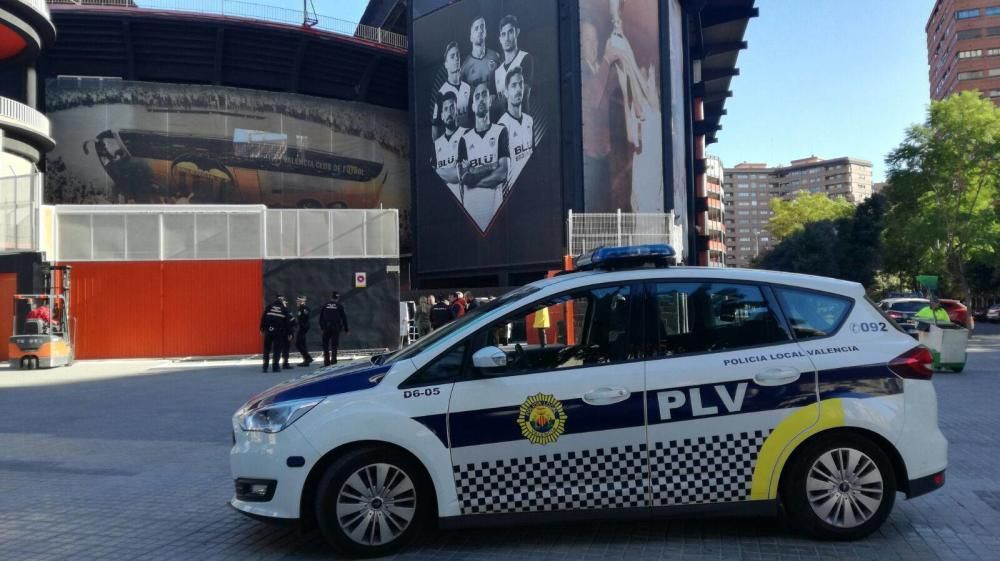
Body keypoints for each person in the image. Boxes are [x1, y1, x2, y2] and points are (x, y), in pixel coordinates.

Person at [458, 80, 510, 232]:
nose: (481, 99)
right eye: (477, 96)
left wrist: (475, 176)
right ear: (473, 106)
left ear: (490, 101)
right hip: (470, 216)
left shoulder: (500, 131)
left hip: (496, 214)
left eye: (484, 95)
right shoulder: (464, 139)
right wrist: (491, 166)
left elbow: (502, 173)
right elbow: (464, 178)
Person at [496, 68, 534, 195]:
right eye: (513, 86)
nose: (518, 89)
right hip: (513, 195)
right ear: (506, 92)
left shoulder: (529, 121)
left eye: (521, 84)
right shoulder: (502, 126)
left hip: (531, 189)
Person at [494, 15, 533, 115]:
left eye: (510, 32)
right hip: (504, 124)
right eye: (503, 34)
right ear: (500, 39)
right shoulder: (497, 72)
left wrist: (495, 104)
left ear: (517, 32)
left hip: (522, 122)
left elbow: (522, 95)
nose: (507, 38)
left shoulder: (525, 58)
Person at [434, 91, 468, 202]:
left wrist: (437, 172)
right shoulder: (437, 144)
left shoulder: (467, 135)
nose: (449, 112)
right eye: (445, 109)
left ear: (457, 111)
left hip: (464, 204)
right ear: (442, 116)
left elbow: (461, 175)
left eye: (452, 107)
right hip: (442, 204)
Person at [433, 42, 472, 132]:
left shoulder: (467, 88)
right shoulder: (441, 92)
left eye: (457, 55)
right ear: (446, 64)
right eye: (452, 56)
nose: (456, 58)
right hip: (452, 143)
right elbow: (435, 126)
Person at [461, 16, 501, 90]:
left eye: (482, 27)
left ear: (485, 32)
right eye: (476, 28)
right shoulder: (465, 68)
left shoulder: (495, 57)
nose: (480, 30)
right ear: (471, 37)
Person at [260, 294, 289, 373]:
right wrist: (289, 333)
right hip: (279, 332)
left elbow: (263, 318)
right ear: (282, 301)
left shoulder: (269, 306)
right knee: (277, 350)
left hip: (269, 331)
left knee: (267, 350)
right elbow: (287, 322)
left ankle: (265, 367)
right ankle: (275, 367)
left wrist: (262, 329)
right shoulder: (284, 309)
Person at [319, 291, 350, 366]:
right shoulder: (339, 305)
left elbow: (321, 318)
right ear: (337, 298)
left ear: (331, 297)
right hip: (335, 327)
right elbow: (344, 318)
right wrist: (346, 329)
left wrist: (322, 327)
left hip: (326, 327)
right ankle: (333, 361)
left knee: (325, 345)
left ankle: (326, 362)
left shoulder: (325, 305)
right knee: (334, 345)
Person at [295, 296, 313, 367]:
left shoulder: (303, 308)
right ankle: (306, 360)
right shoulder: (301, 308)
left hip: (303, 327)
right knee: (302, 343)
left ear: (302, 302)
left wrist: (302, 324)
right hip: (303, 327)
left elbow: (305, 317)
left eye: (298, 301)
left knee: (298, 344)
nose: (297, 302)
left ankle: (308, 358)